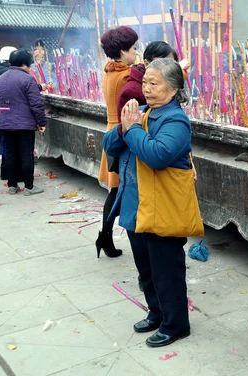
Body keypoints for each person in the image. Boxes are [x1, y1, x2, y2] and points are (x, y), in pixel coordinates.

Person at [103, 58, 198, 347]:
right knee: (146, 269)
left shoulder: (176, 121)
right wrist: (123, 128)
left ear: (173, 89)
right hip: (136, 205)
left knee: (166, 270)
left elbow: (156, 155)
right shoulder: (140, 112)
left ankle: (176, 323)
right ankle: (156, 313)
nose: (147, 88)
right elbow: (109, 146)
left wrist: (131, 130)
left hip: (163, 209)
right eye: (145, 82)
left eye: (154, 83)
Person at [96, 25, 139, 258]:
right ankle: (105, 236)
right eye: (133, 48)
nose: (136, 52)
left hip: (112, 129)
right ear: (122, 51)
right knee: (117, 190)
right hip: (122, 134)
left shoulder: (109, 72)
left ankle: (105, 237)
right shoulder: (125, 77)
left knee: (115, 189)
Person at [0, 49, 46, 195]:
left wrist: (3, 120)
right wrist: (41, 123)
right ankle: (29, 187)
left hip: (6, 123)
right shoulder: (28, 79)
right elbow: (36, 104)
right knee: (26, 154)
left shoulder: (0, 79)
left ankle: (12, 185)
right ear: (26, 63)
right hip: (24, 124)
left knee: (10, 154)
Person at [117, 41, 178, 116]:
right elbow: (127, 124)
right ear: (146, 64)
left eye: (171, 64)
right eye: (161, 63)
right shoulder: (131, 91)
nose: (147, 89)